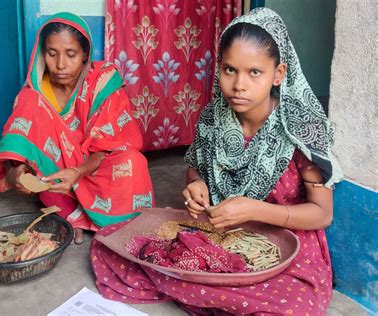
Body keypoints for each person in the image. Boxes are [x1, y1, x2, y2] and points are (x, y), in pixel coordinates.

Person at [90, 8, 342, 315]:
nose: (239, 85)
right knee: (117, 246)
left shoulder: (301, 128)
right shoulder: (212, 118)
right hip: (219, 228)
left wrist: (255, 209)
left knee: (288, 304)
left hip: (284, 241)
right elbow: (195, 169)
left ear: (278, 74)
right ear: (218, 69)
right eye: (229, 70)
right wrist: (196, 187)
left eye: (255, 73)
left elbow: (321, 213)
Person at [0, 12, 155, 244]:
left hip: (94, 165)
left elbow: (109, 145)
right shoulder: (33, 96)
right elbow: (24, 148)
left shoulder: (102, 81)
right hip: (57, 173)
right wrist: (18, 173)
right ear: (42, 53)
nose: (60, 65)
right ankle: (73, 215)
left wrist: (79, 172)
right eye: (52, 53)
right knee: (43, 170)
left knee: (134, 162)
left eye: (71, 54)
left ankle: (80, 216)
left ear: (85, 55)